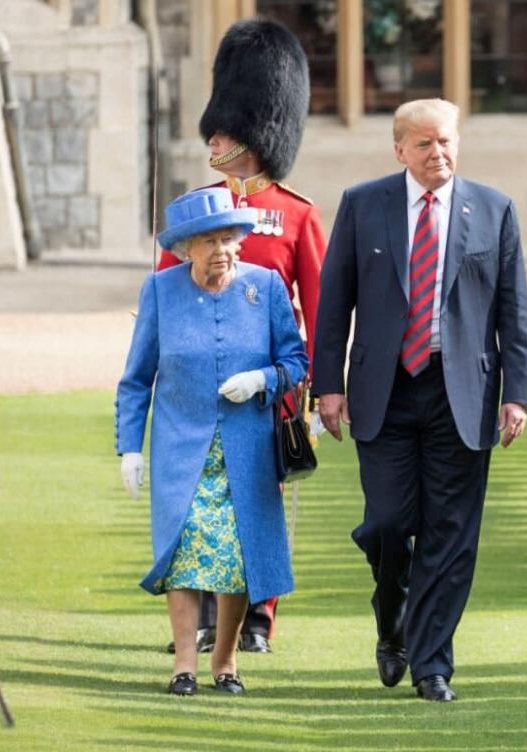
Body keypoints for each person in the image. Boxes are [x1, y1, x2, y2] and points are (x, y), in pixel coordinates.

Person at [313, 98, 527, 702]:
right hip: (383, 389)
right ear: (399, 150)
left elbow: (514, 312)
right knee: (387, 523)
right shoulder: (364, 205)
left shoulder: (494, 209)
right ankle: (394, 618)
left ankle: (432, 663)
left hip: (461, 391)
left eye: (447, 142)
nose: (438, 154)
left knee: (451, 533)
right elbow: (334, 303)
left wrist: (518, 394)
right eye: (424, 145)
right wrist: (326, 385)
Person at [156, 18, 323, 657]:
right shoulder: (195, 207)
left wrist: (320, 387)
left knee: (260, 503)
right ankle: (200, 614)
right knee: (199, 498)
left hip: (266, 391)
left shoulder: (298, 214)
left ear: (255, 134)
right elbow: (164, 299)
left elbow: (320, 308)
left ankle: (258, 617)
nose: (216, 138)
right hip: (199, 385)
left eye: (228, 130)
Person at [115, 187, 308, 696]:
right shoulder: (160, 291)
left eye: (229, 238)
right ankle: (183, 665)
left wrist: (262, 380)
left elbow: (296, 362)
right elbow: (137, 378)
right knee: (184, 551)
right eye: (209, 240)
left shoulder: (265, 287)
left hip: (247, 447)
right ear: (185, 249)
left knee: (237, 556)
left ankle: (225, 662)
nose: (222, 249)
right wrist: (130, 448)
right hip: (181, 447)